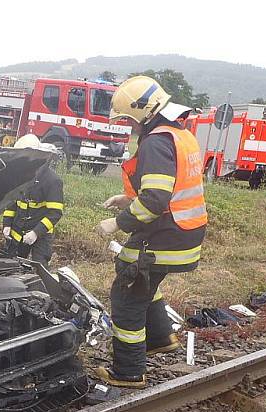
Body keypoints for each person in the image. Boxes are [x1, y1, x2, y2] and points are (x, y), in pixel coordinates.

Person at [95, 75, 207, 388]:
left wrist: (118, 223)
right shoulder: (178, 133)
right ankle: (160, 338)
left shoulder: (156, 141)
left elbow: (156, 199)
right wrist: (128, 200)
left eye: (129, 119)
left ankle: (128, 372)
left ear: (145, 110)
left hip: (167, 234)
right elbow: (167, 190)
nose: (129, 126)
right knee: (143, 279)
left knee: (127, 292)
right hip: (183, 231)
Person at [1, 134, 64, 268]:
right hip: (17, 232)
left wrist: (35, 232)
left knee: (39, 270)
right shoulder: (19, 176)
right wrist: (6, 225)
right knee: (10, 267)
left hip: (40, 235)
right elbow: (11, 202)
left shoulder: (52, 181)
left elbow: (55, 213)